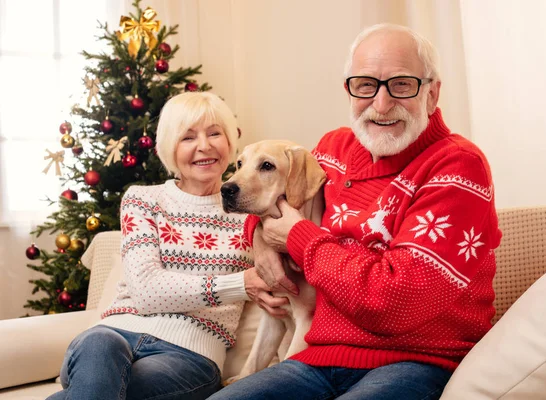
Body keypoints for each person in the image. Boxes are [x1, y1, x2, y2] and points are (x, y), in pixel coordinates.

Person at [209, 23, 502, 400]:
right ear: (349, 89)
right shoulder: (333, 150)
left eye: (401, 85)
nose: (381, 105)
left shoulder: (458, 167)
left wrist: (298, 238)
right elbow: (278, 191)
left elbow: (393, 301)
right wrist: (260, 239)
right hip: (317, 358)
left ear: (432, 93)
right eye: (366, 85)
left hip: (414, 361)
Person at [48, 91, 276, 400]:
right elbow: (146, 291)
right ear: (169, 146)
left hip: (189, 355)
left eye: (214, 134)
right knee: (100, 344)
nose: (204, 146)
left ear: (229, 141)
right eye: (187, 137)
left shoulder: (251, 213)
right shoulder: (142, 200)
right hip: (112, 337)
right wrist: (240, 284)